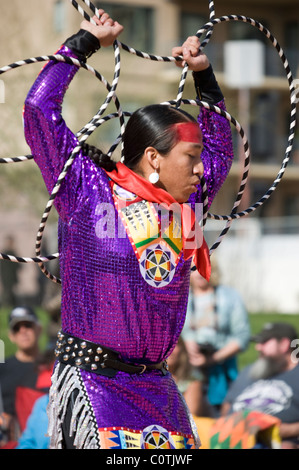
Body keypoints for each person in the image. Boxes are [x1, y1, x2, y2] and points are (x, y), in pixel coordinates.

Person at [23, 9, 234, 449]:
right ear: (154, 159)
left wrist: (203, 75)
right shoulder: (86, 188)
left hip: (158, 389)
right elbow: (39, 111)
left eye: (198, 160)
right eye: (188, 158)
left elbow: (221, 151)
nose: (201, 169)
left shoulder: (187, 205)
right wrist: (85, 42)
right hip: (95, 384)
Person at [182, 259, 251, 415]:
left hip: (222, 367)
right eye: (194, 268)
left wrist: (213, 358)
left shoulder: (229, 296)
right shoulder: (181, 297)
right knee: (188, 415)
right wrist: (187, 341)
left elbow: (242, 336)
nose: (199, 273)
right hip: (188, 367)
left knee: (219, 415)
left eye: (203, 267)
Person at [221, 322, 299, 449]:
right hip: (233, 439)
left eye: (264, 342)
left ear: (284, 344)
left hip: (277, 443)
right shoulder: (250, 371)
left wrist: (287, 430)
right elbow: (228, 405)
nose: (258, 347)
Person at [0, 306, 42, 446]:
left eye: (28, 325)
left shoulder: (52, 368)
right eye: (17, 328)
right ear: (11, 336)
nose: (23, 331)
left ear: (39, 329)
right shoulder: (2, 369)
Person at [167, 336, 212, 417]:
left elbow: (191, 416)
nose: (169, 350)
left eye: (174, 345)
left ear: (181, 349)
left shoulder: (192, 379)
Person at [0, 235, 21, 307]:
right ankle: (6, 305)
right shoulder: (4, 254)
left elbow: (18, 266)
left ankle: (11, 305)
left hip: (12, 276)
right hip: (6, 276)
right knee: (7, 292)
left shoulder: (13, 253)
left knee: (10, 291)